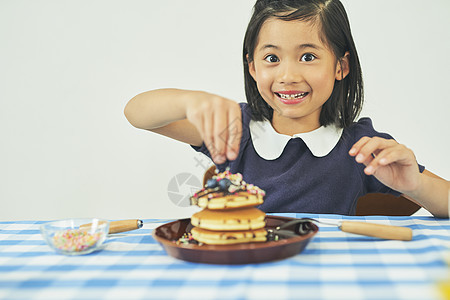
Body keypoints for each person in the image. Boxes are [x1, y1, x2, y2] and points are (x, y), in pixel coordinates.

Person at [124, 0, 449, 217]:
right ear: (252, 68)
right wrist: (188, 101)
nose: (288, 76)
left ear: (341, 66)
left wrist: (416, 186)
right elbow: (137, 113)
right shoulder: (234, 128)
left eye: (308, 56)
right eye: (272, 58)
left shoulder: (359, 146)